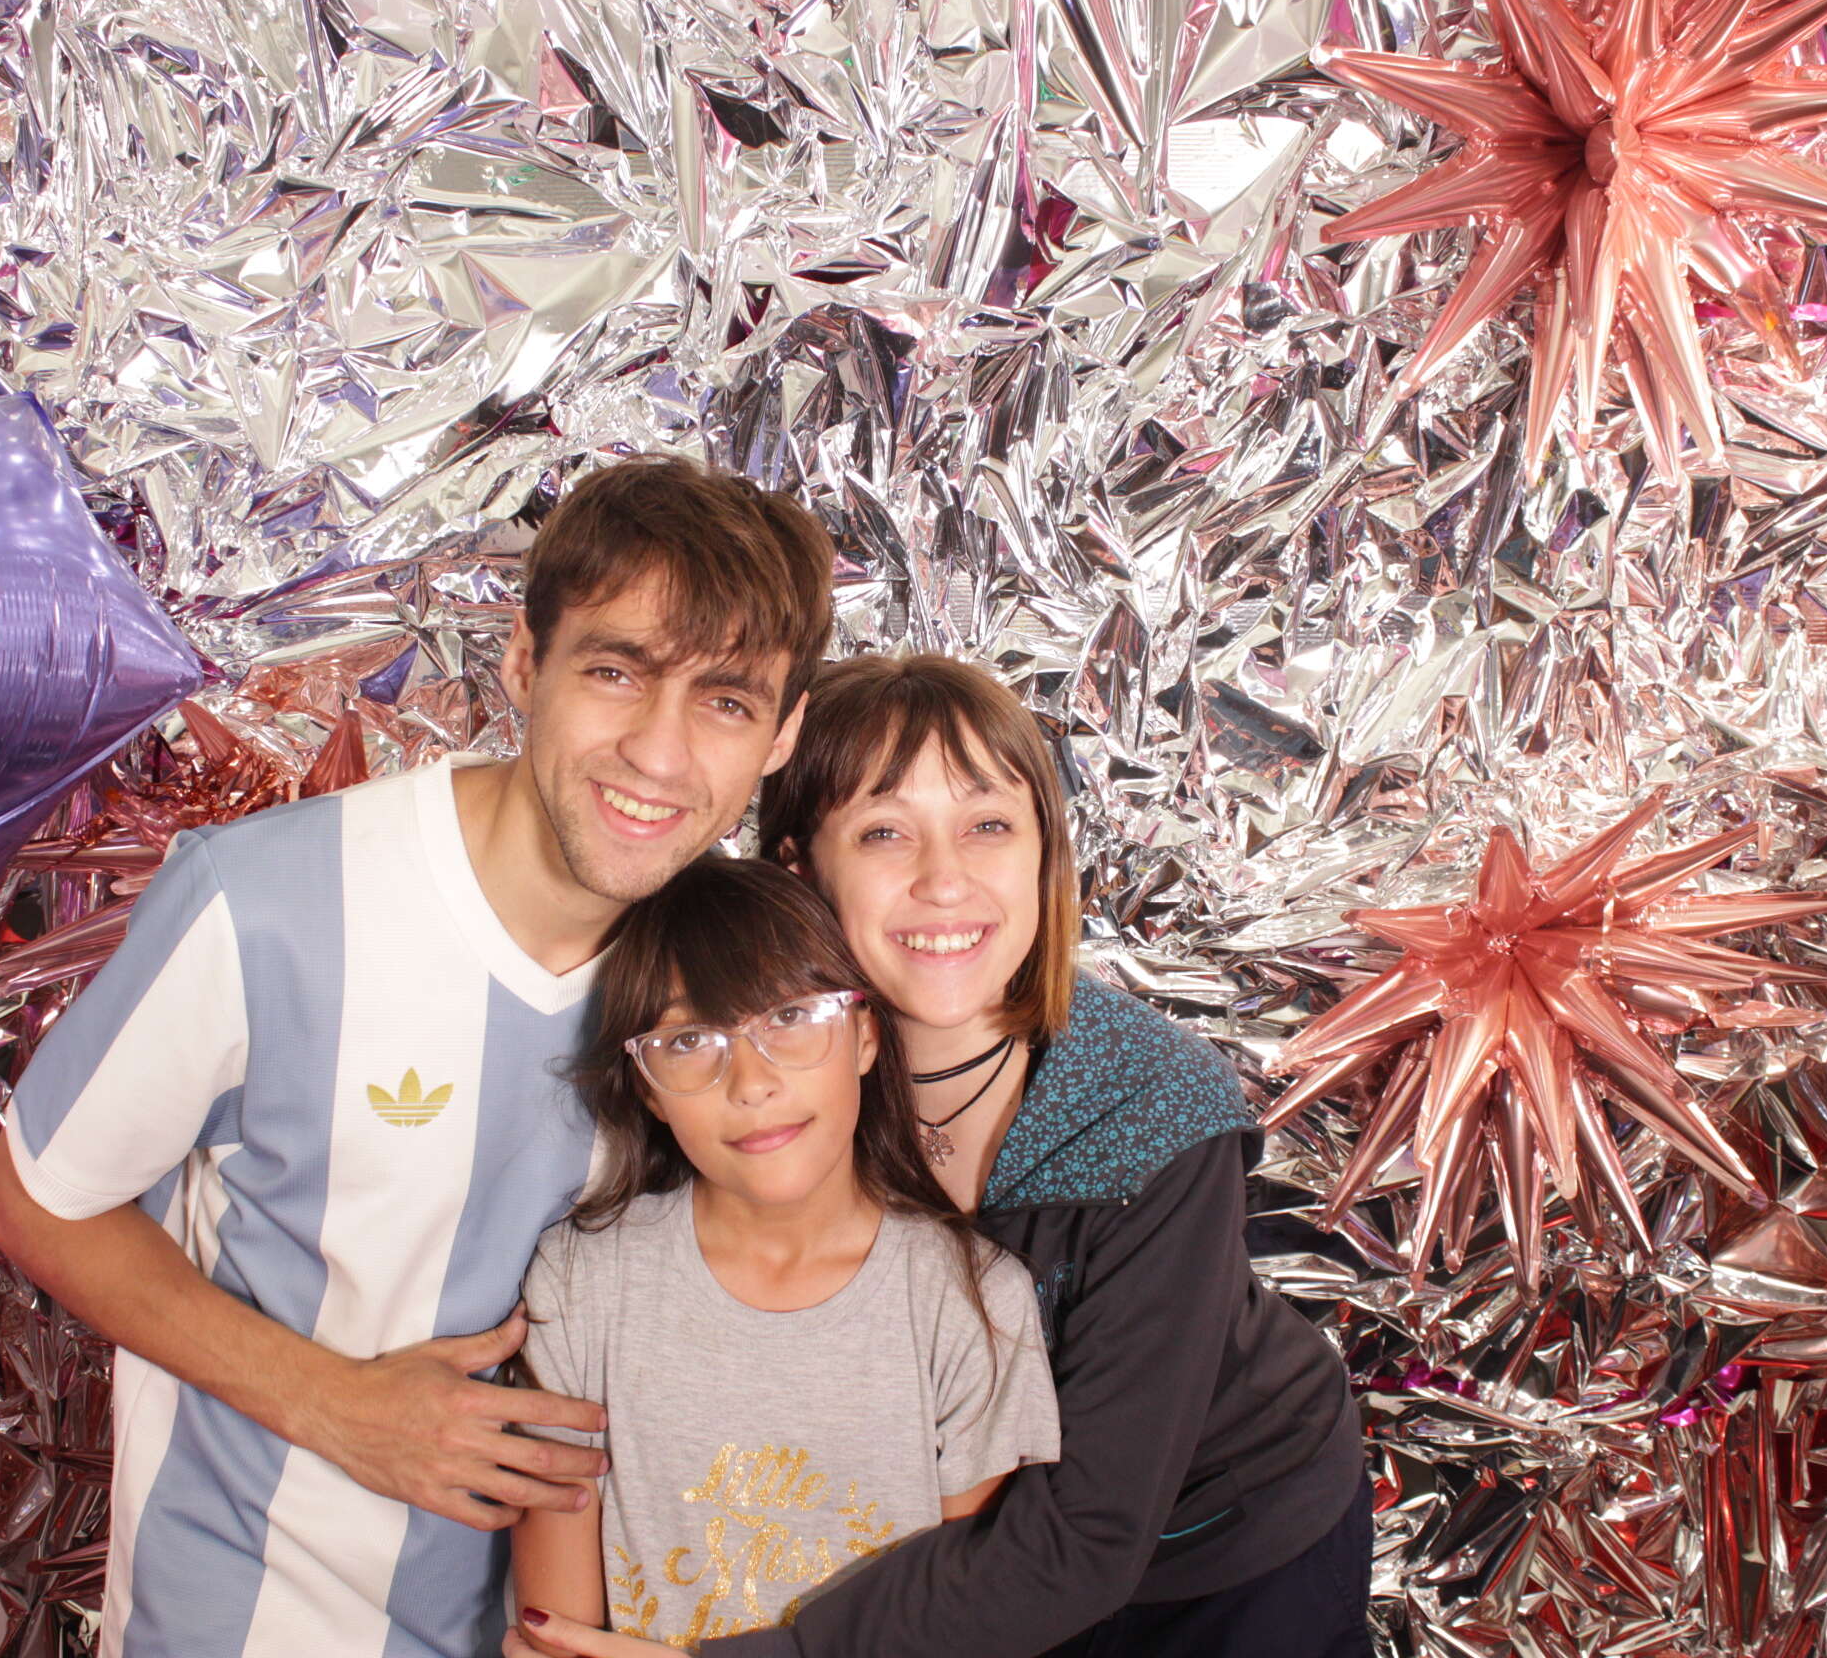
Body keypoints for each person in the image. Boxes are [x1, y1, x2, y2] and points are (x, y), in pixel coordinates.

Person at [0, 455, 838, 1658]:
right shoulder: (269, 903)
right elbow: (31, 1199)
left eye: (727, 704)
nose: (659, 751)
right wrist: (337, 1408)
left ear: (783, 736)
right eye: (615, 672)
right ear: (524, 664)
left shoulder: (726, 987)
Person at [509, 653, 1370, 1658]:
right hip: (954, 1575)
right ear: (797, 870)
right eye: (884, 832)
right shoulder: (764, 1088)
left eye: (988, 825)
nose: (944, 880)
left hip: (1221, 1547)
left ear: (1045, 857)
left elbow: (1089, 1536)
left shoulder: (1155, 1109)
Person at [510, 856, 1060, 1649]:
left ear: (865, 1035)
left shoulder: (973, 1302)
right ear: (647, 1086)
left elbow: (960, 1626)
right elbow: (557, 1637)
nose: (751, 1082)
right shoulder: (581, 1283)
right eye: (690, 1039)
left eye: (791, 1017)